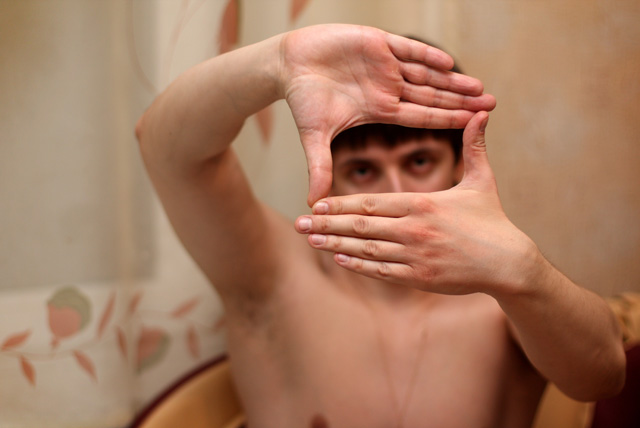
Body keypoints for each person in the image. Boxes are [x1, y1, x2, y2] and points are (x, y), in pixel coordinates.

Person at [135, 24, 625, 428]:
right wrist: (278, 62)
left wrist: (524, 269)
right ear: (328, 178)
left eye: (419, 161)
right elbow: (166, 150)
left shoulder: (502, 298)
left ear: (459, 166)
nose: (396, 192)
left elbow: (604, 375)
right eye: (363, 170)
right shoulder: (274, 277)